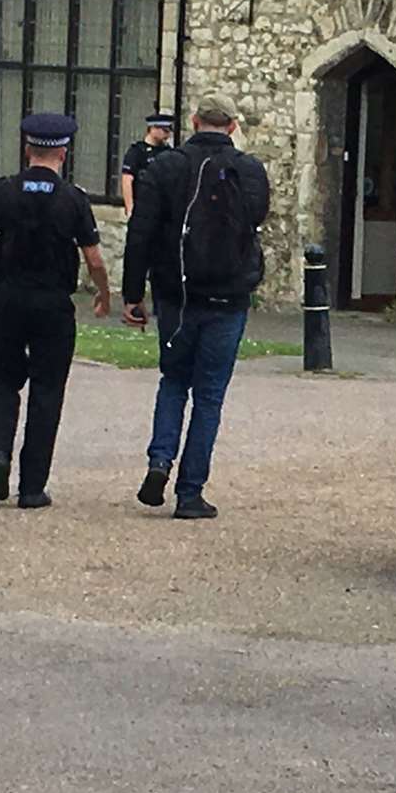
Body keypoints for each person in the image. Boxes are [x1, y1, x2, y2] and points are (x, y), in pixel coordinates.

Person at [121, 94, 269, 520]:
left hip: (177, 294)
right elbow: (258, 216)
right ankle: (190, 492)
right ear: (233, 125)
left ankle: (159, 459)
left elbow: (141, 233)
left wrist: (133, 293)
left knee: (173, 380)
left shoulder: (165, 167)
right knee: (209, 395)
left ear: (193, 120)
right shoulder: (249, 170)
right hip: (228, 294)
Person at [0, 113, 111, 509]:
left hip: (10, 298)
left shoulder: (3, 193)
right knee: (47, 391)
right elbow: (94, 258)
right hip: (53, 305)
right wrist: (103, 294)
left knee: (4, 380)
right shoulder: (73, 199)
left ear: (27, 150)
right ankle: (32, 486)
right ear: (63, 153)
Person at [120, 112, 174, 217]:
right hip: (143, 206)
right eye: (165, 131)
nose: (167, 135)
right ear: (153, 128)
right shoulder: (137, 151)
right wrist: (130, 208)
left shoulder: (168, 152)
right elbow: (127, 180)